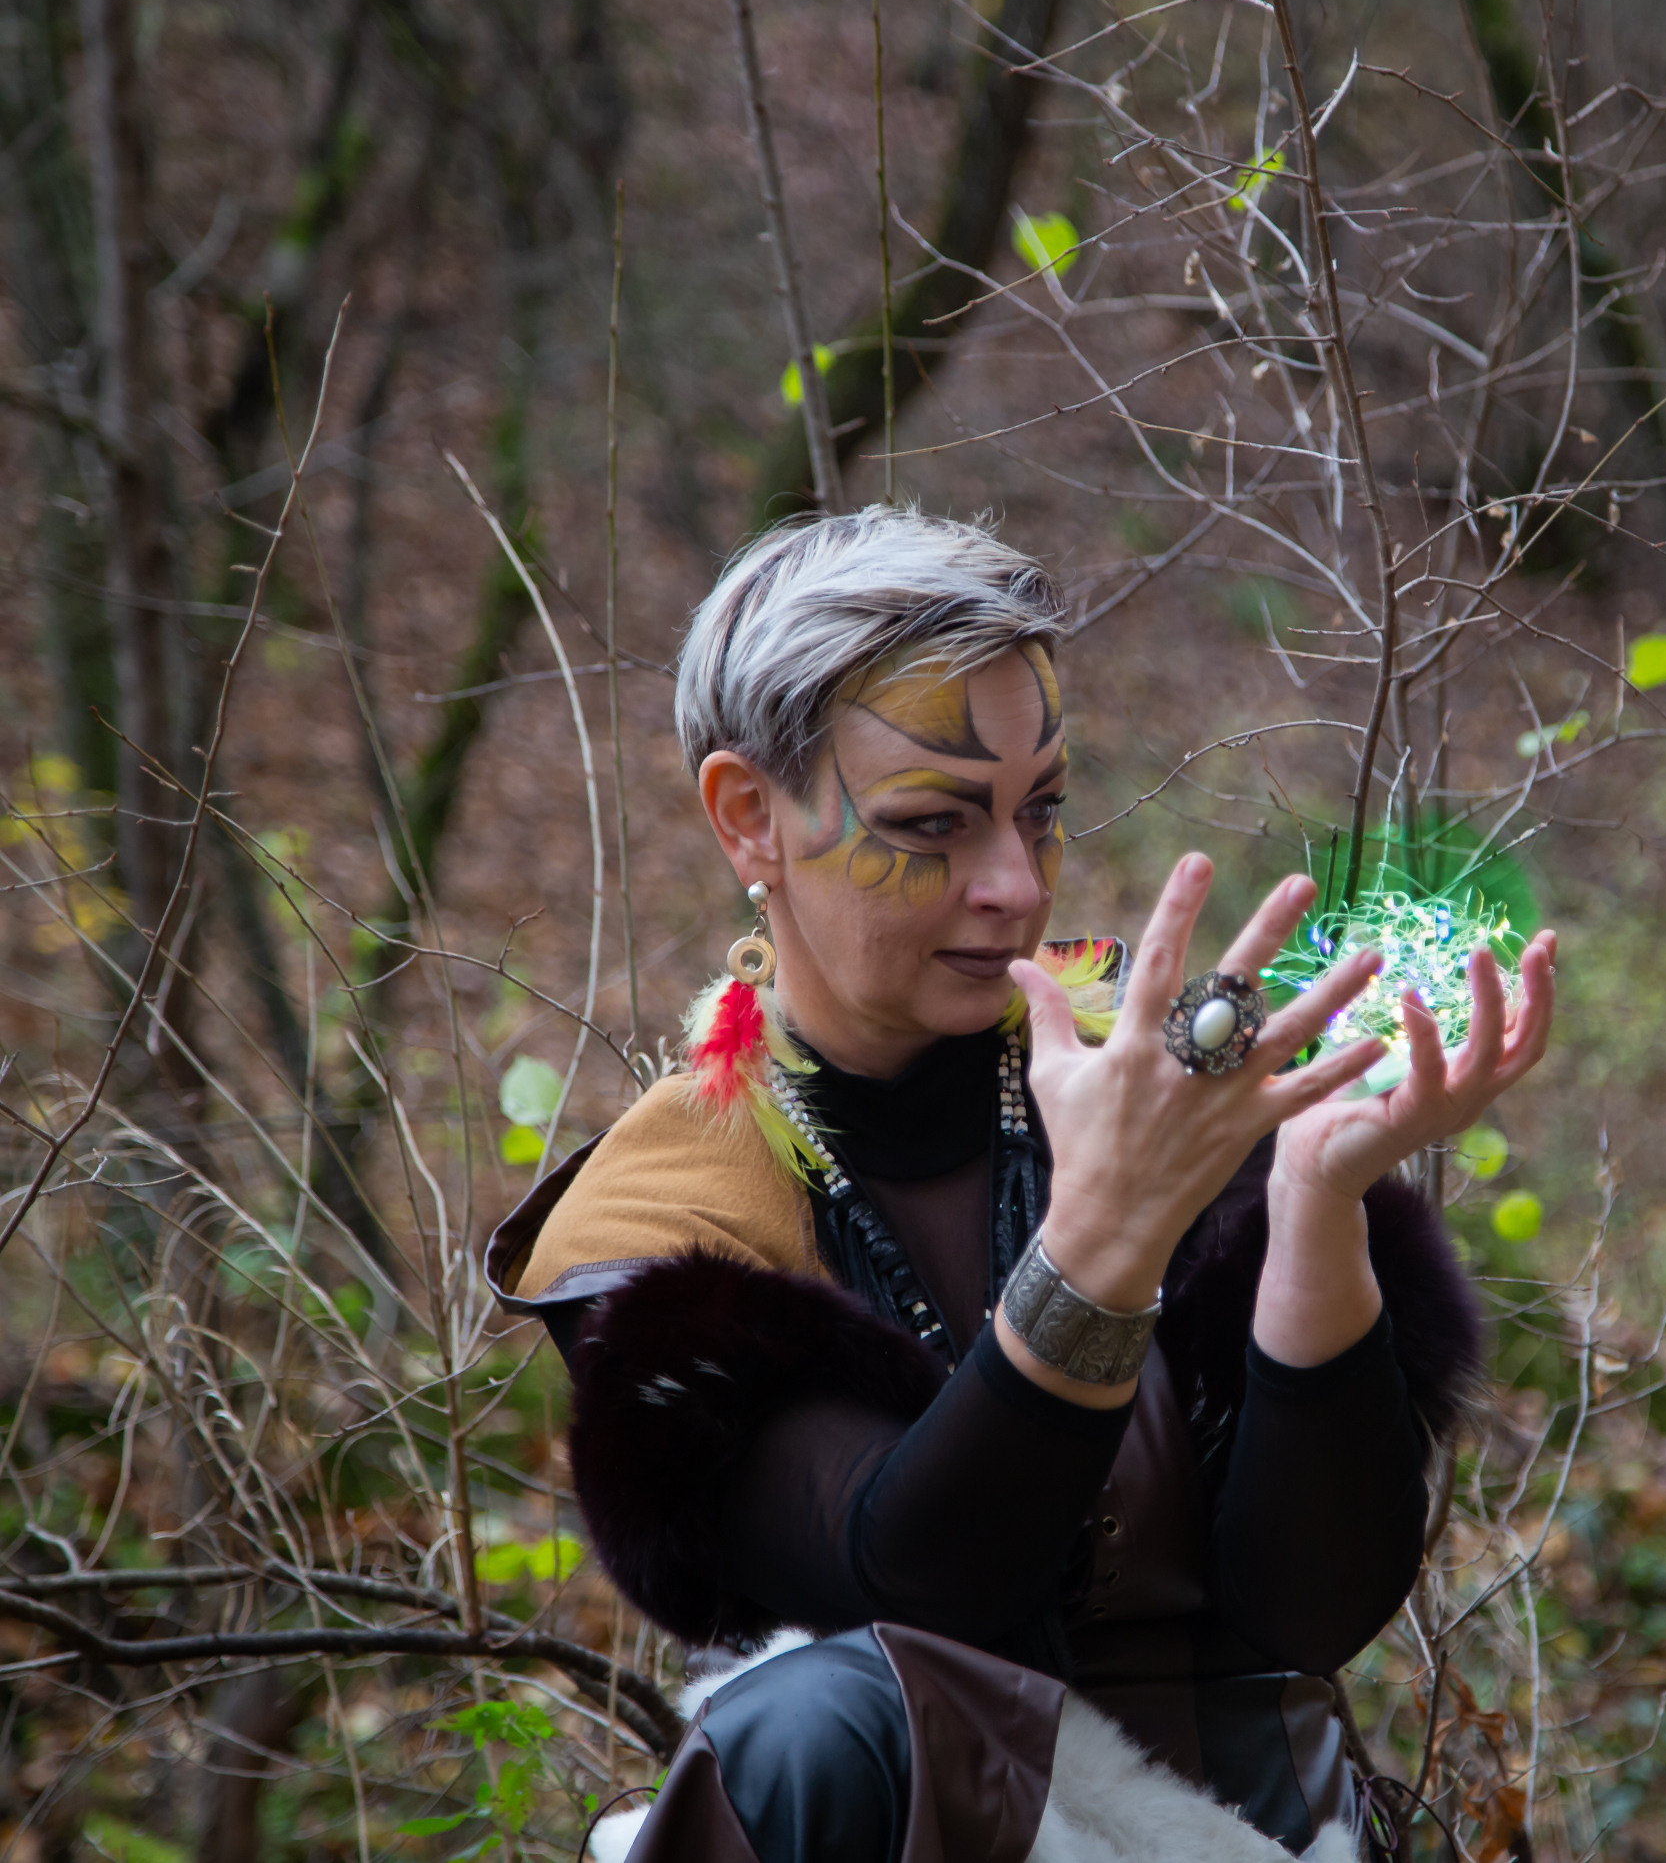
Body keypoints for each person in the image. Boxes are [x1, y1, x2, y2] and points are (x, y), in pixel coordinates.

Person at [487, 507, 1558, 1862]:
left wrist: (1314, 1207)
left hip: (1261, 1834)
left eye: (1039, 810)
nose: (1013, 885)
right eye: (932, 823)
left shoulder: (1162, 1075)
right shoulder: (669, 1202)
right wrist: (1104, 1244)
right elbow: (919, 1577)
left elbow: (1309, 1605)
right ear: (750, 817)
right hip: (929, 1826)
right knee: (800, 1722)